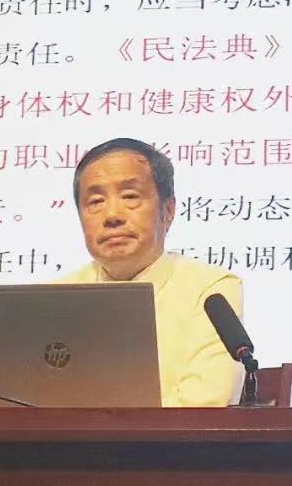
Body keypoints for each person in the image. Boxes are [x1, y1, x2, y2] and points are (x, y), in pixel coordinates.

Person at [58, 137, 245, 406]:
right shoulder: (54, 298)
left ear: (168, 211)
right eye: (95, 201)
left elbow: (206, 400)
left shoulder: (209, 289)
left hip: (171, 437)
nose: (112, 215)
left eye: (130, 197)